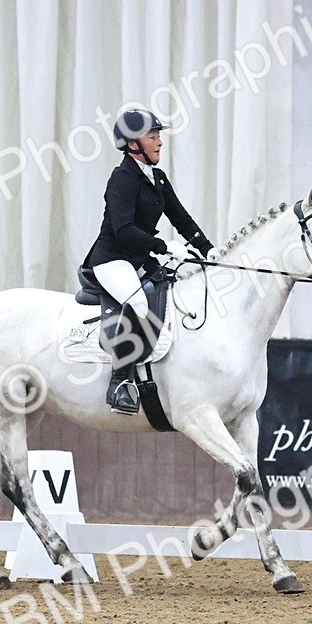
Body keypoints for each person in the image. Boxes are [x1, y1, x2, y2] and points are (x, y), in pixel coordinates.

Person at [82, 108, 215, 414]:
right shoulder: (122, 179)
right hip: (112, 260)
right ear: (132, 144)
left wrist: (209, 251)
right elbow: (123, 230)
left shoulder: (157, 178)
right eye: (152, 137)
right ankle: (119, 382)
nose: (159, 142)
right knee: (140, 305)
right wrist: (164, 246)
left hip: (139, 258)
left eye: (159, 136)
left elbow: (181, 218)